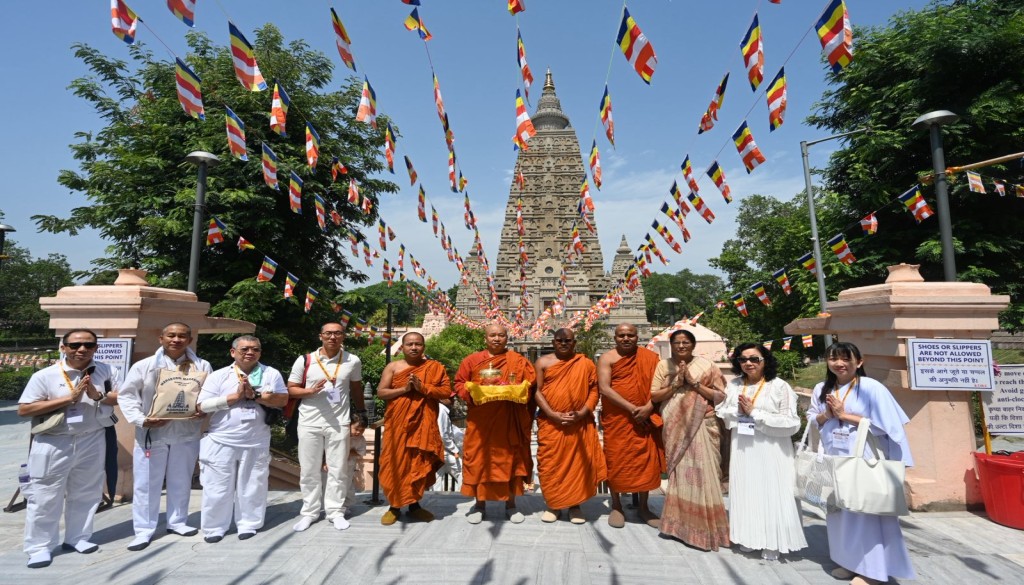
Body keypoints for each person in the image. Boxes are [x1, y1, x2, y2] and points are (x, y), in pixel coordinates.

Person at [809, 342, 916, 585]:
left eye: (846, 358)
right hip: (835, 458)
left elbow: (888, 426)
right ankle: (849, 562)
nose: (840, 363)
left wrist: (844, 415)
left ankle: (873, 572)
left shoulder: (870, 388)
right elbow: (813, 419)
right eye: (834, 358)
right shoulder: (821, 388)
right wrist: (827, 414)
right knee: (839, 514)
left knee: (866, 513)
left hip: (864, 458)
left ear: (859, 361)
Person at [18, 329, 120, 568]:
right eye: (74, 345)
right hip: (55, 440)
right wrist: (68, 399)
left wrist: (99, 395)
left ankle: (78, 538)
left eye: (88, 344)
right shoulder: (46, 375)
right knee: (45, 496)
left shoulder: (106, 370)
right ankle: (39, 547)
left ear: (95, 348)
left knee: (87, 492)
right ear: (63, 347)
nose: (81, 349)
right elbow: (24, 409)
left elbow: (121, 397)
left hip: (92, 437)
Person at [118, 322, 212, 551]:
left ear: (189, 340)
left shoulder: (201, 365)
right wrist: (141, 419)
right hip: (152, 432)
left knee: (181, 479)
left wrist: (203, 408)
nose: (176, 340)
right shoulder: (145, 366)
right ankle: (143, 530)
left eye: (182, 336)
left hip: (186, 432)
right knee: (146, 484)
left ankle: (177, 521)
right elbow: (127, 395)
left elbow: (209, 393)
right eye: (171, 335)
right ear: (161, 338)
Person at [716, 343, 807, 561]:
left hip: (772, 449)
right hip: (744, 448)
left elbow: (791, 423)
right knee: (747, 491)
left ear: (765, 360)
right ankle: (749, 537)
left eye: (754, 359)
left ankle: (774, 541)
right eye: (743, 359)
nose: (748, 363)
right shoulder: (735, 385)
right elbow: (723, 411)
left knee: (773, 492)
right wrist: (737, 411)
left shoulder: (779, 386)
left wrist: (755, 413)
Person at [196, 335, 287, 542]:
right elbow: (202, 406)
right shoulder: (219, 376)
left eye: (255, 349)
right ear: (233, 352)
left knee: (253, 485)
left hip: (256, 440)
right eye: (245, 349)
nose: (250, 353)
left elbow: (282, 399)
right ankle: (214, 528)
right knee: (217, 487)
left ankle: (249, 524)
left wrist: (255, 396)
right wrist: (234, 398)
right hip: (220, 440)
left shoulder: (270, 373)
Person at [651, 329, 729, 550]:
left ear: (693, 345)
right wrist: (675, 385)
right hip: (675, 425)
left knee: (706, 474)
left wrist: (694, 384)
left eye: (686, 342)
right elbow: (654, 396)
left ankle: (708, 529)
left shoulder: (707, 366)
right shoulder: (663, 366)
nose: (681, 346)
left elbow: (720, 395)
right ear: (671, 345)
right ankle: (678, 526)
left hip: (703, 423)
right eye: (677, 342)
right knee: (680, 474)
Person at [287, 323, 367, 532]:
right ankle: (310, 512)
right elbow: (291, 390)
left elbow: (357, 389)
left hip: (339, 422)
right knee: (309, 469)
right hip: (309, 421)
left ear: (343, 337)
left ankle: (335, 511)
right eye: (328, 333)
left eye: (337, 333)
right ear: (320, 336)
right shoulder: (305, 360)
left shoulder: (352, 360)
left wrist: (362, 413)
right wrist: (310, 391)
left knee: (338, 469)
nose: (333, 337)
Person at [454, 323, 536, 524]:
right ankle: (479, 505)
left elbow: (531, 385)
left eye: (501, 335)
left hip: (508, 421)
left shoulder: (518, 361)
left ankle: (511, 505)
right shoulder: (472, 360)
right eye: (492, 335)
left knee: (511, 462)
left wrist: (519, 390)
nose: (497, 339)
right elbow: (458, 384)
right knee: (480, 462)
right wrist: (473, 391)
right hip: (481, 424)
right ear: (486, 338)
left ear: (507, 338)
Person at [534, 328, 607, 524]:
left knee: (579, 465)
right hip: (551, 424)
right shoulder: (543, 362)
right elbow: (537, 392)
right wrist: (551, 414)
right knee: (550, 464)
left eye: (568, 341)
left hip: (579, 423)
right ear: (554, 342)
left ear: (574, 343)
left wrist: (583, 412)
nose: (564, 343)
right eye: (560, 340)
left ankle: (576, 506)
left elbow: (594, 389)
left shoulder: (585, 363)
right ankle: (553, 504)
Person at [377, 332, 451, 525]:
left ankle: (414, 505)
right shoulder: (393, 367)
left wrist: (423, 388)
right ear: (402, 347)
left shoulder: (435, 368)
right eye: (410, 344)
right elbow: (381, 392)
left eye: (418, 344)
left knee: (418, 463)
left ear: (424, 347)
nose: (414, 347)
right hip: (398, 425)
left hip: (422, 425)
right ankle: (394, 506)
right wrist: (405, 389)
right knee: (394, 463)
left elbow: (446, 393)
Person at [597, 323, 663, 528]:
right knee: (616, 461)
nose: (626, 338)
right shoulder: (607, 358)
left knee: (645, 462)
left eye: (630, 335)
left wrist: (647, 407)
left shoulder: (650, 358)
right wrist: (632, 408)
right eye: (621, 335)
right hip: (619, 420)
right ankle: (616, 505)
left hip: (644, 418)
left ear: (638, 337)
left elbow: (660, 387)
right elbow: (605, 389)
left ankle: (644, 506)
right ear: (615, 338)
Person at [433, 399, 463, 491]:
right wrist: (455, 450)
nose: (452, 401)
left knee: (437, 476)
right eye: (450, 398)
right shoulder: (441, 410)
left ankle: (436, 501)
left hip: (437, 449)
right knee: (462, 472)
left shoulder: (437, 408)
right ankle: (462, 496)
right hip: (446, 450)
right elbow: (443, 435)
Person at [342, 418, 367, 514]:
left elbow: (361, 453)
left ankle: (345, 506)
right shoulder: (342, 436)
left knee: (347, 486)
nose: (358, 432)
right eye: (356, 429)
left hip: (349, 466)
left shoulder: (361, 440)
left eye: (362, 430)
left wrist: (352, 452)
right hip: (337, 465)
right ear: (349, 426)